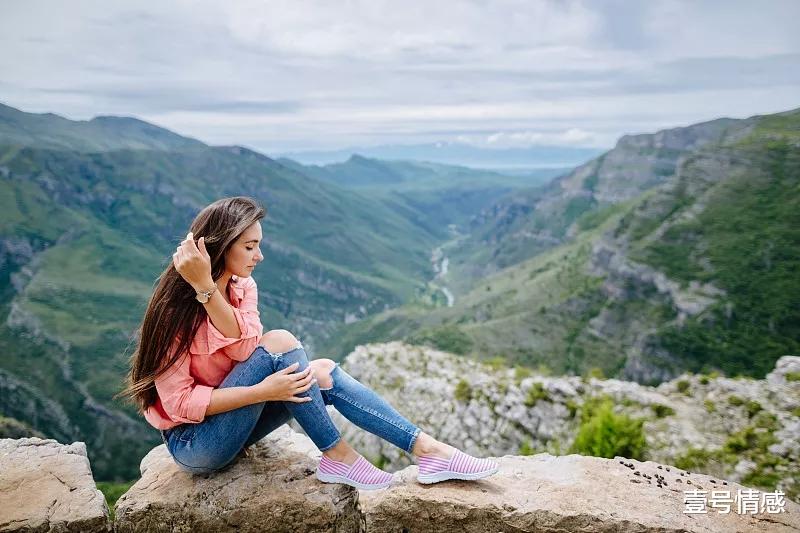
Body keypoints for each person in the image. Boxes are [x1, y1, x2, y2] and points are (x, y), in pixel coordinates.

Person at [118, 196, 499, 490]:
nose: (259, 255)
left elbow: (242, 348)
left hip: (233, 423)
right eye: (249, 246)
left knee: (323, 372)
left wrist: (208, 290)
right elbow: (181, 404)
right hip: (196, 444)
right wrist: (262, 391)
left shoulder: (242, 288)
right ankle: (339, 456)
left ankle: (428, 451)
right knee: (283, 343)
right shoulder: (171, 313)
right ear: (221, 246)